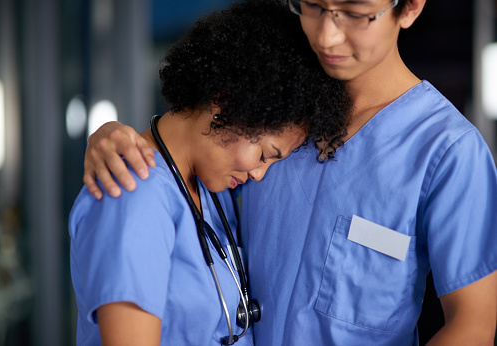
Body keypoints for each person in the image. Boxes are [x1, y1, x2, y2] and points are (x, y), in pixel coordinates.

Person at [82, 0, 497, 345]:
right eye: (313, 6)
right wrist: (113, 137)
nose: (326, 36)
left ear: (408, 8)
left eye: (354, 13)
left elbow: (473, 326)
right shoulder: (274, 111)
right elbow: (182, 159)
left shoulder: (447, 152)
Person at [69, 0, 351, 345]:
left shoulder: (211, 192)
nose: (260, 175)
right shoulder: (132, 191)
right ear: (226, 104)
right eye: (265, 154)